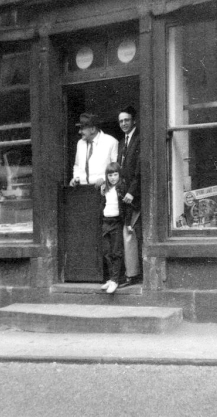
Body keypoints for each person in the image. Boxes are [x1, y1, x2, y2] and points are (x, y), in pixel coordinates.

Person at [117, 106, 142, 286]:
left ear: (133, 120)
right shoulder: (121, 142)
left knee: (134, 234)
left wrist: (132, 192)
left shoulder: (139, 139)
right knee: (128, 234)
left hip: (136, 196)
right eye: (121, 121)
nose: (124, 123)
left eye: (126, 120)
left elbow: (139, 170)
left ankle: (134, 275)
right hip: (124, 196)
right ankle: (131, 273)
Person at [99, 162, 127, 294]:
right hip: (106, 222)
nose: (113, 178)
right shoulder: (106, 188)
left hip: (116, 222)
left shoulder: (121, 187)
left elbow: (125, 207)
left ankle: (116, 280)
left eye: (115, 174)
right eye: (110, 175)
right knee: (107, 252)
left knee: (116, 251)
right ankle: (111, 278)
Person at [69, 113, 118, 187]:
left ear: (92, 129)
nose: (79, 132)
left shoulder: (111, 142)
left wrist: (105, 180)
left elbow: (116, 168)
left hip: (104, 189)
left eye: (82, 128)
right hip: (83, 190)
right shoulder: (80, 143)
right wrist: (76, 178)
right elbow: (77, 165)